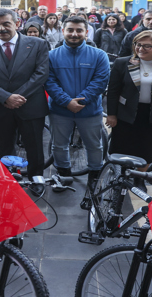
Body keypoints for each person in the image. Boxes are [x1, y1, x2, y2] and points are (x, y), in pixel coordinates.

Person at [0, 8, 49, 177]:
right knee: (4, 146)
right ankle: (7, 178)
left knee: (35, 146)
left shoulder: (38, 44)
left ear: (17, 24)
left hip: (30, 104)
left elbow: (41, 74)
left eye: (6, 24)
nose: (1, 28)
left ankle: (36, 177)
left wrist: (16, 97)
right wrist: (6, 97)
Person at [46, 16, 109, 199]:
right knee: (59, 145)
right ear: (63, 31)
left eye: (79, 30)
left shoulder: (99, 55)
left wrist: (81, 102)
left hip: (89, 111)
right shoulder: (51, 56)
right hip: (60, 110)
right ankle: (64, 176)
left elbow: (101, 81)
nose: (74, 34)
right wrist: (67, 102)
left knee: (95, 146)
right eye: (70, 30)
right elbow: (49, 82)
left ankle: (94, 178)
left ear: (86, 32)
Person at [107, 30, 152, 182]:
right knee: (122, 146)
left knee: (147, 148)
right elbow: (113, 91)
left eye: (147, 46)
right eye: (138, 44)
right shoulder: (123, 63)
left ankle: (138, 177)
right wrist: (111, 114)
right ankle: (120, 176)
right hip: (126, 113)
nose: (140, 49)